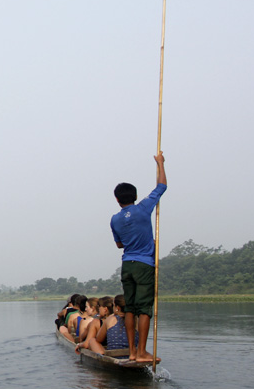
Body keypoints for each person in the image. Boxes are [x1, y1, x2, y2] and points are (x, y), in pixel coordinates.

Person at [111, 152, 166, 363]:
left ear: (117, 199)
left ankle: (133, 352)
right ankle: (142, 352)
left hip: (127, 265)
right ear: (134, 196)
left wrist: (132, 237)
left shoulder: (114, 219)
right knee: (144, 309)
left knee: (130, 308)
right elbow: (161, 187)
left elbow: (119, 244)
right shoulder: (143, 208)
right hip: (143, 264)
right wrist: (160, 164)